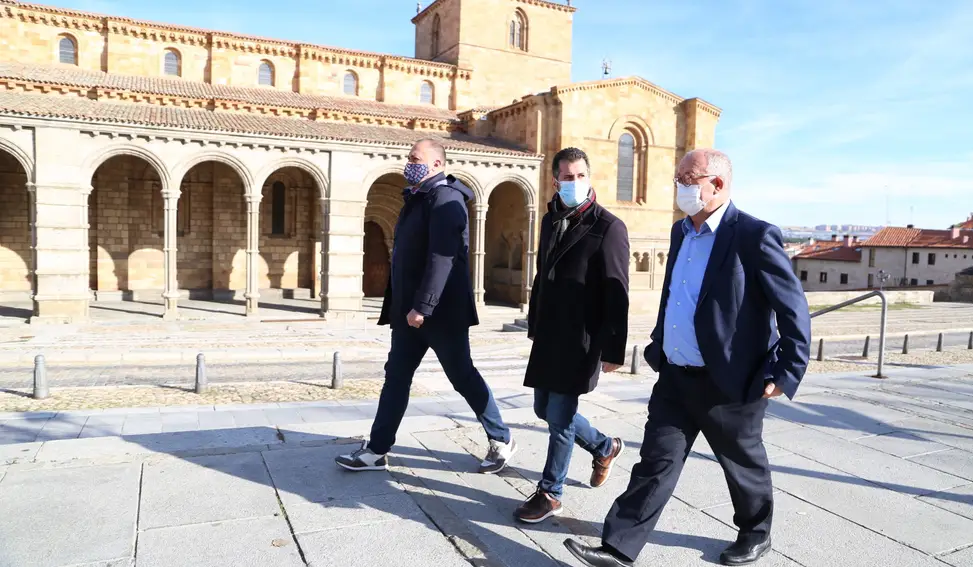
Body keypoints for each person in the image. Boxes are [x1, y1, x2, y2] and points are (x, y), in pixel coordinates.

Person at [564, 148, 811, 566]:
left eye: (688, 177)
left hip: (730, 381)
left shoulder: (754, 235)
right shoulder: (681, 232)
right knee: (655, 462)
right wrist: (662, 339)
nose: (679, 186)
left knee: (742, 464)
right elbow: (675, 294)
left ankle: (756, 532)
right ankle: (617, 548)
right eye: (678, 177)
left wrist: (787, 370)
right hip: (676, 376)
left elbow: (793, 308)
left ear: (717, 184)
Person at [336, 138, 517, 474]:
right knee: (397, 378)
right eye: (408, 156)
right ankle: (377, 450)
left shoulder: (446, 198)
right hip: (408, 314)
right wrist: (404, 308)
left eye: (414, 157)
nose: (408, 162)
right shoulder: (417, 198)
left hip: (439, 313)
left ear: (436, 164)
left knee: (462, 376)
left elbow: (442, 259)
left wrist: (423, 306)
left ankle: (502, 439)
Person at [513, 147, 630, 524]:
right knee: (543, 410)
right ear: (555, 181)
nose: (574, 182)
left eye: (580, 176)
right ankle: (604, 446)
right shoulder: (549, 220)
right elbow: (543, 274)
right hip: (549, 334)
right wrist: (535, 321)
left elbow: (618, 292)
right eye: (567, 177)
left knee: (560, 418)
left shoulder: (609, 227)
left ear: (589, 177)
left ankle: (550, 493)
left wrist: (614, 347)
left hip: (581, 338)